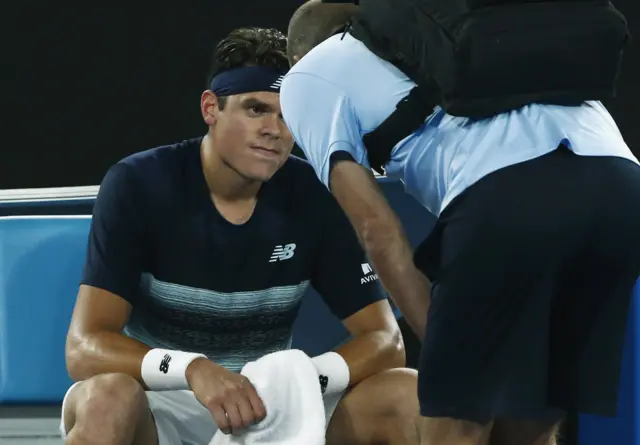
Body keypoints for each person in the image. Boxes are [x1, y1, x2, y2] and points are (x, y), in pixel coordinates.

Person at [280, 1, 640, 445]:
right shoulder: (462, 39)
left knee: (456, 427)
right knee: (529, 424)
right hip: (621, 188)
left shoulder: (306, 76)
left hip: (509, 193)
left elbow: (377, 229)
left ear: (295, 57)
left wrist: (446, 351)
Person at [60, 27, 421, 445]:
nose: (275, 129)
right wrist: (193, 369)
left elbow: (385, 341)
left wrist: (299, 383)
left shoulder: (316, 194)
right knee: (107, 398)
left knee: (406, 392)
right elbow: (83, 347)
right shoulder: (138, 184)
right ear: (211, 108)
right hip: (166, 401)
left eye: (288, 115)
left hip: (269, 406)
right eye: (256, 109)